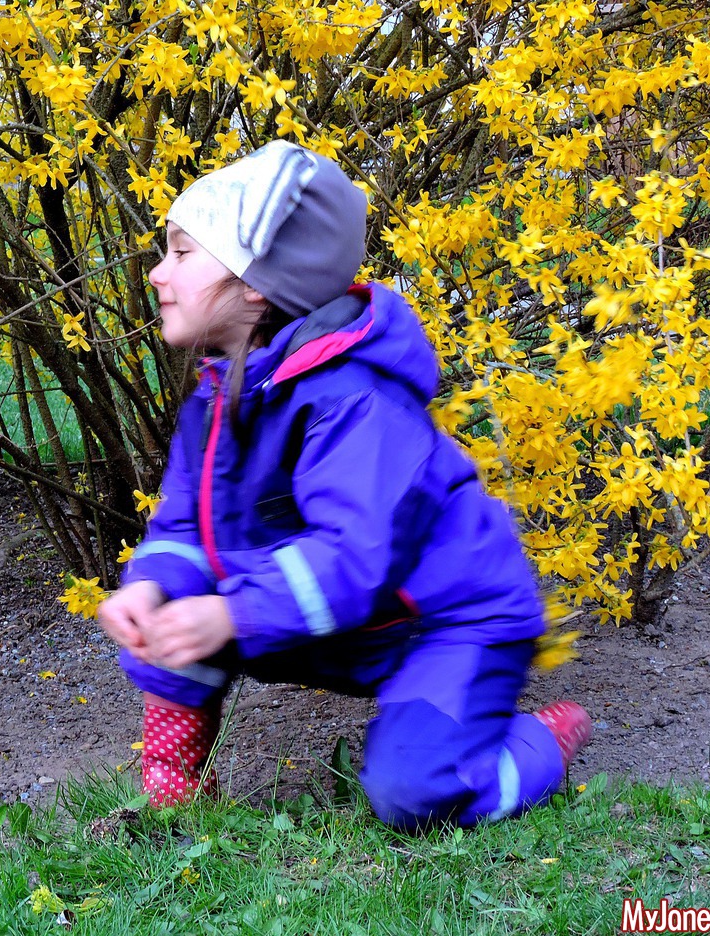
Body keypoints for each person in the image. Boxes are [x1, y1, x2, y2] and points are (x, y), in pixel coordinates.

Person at [97, 140, 592, 831]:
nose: (157, 272)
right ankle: (174, 780)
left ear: (256, 283)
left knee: (413, 794)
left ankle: (532, 745)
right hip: (340, 619)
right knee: (175, 607)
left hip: (443, 625)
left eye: (182, 253)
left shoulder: (355, 400)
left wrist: (231, 613)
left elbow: (354, 556)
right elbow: (185, 526)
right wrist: (150, 586)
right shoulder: (218, 398)